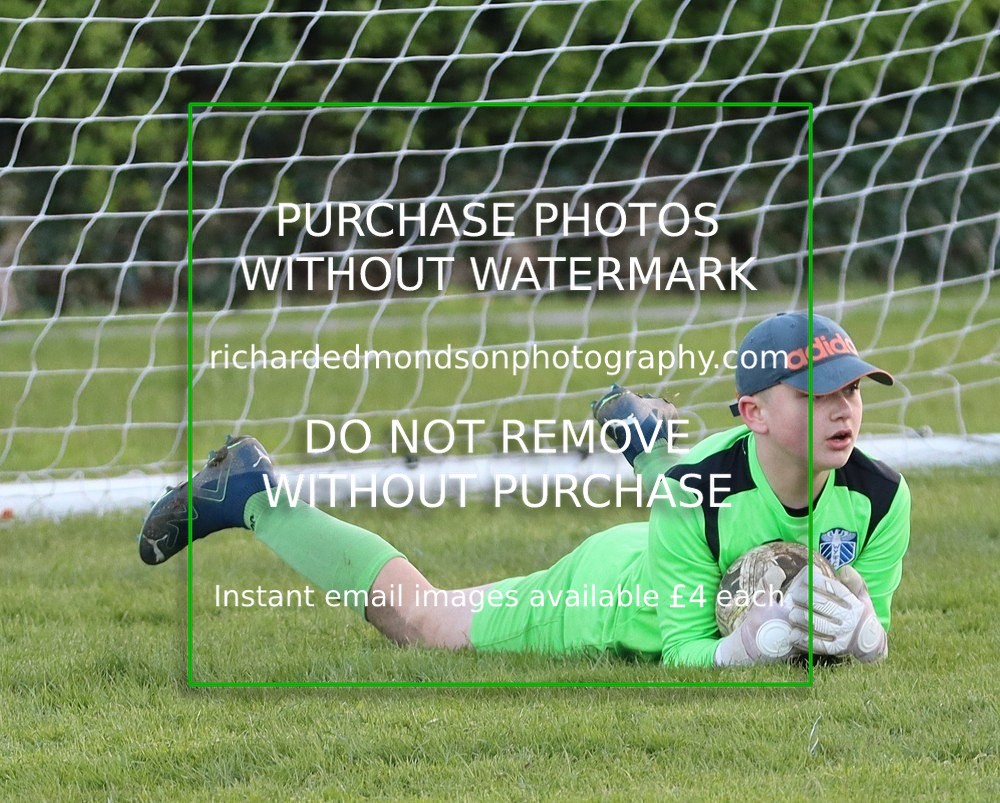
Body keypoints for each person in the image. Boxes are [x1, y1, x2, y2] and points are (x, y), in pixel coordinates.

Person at [139, 312, 910, 667]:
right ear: (754, 413)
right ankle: (251, 494)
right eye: (816, 395)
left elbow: (862, 622)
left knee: (691, 491)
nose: (845, 408)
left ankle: (635, 429)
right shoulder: (694, 488)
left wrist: (863, 636)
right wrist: (742, 648)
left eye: (852, 390)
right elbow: (683, 652)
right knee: (428, 623)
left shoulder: (880, 496)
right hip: (612, 591)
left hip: (682, 515)